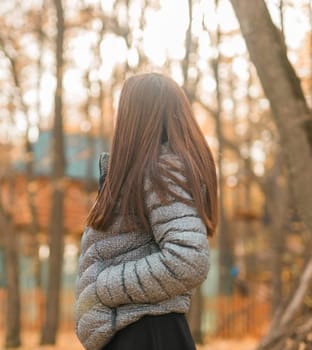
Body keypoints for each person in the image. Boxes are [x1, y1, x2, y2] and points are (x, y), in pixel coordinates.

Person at [74, 72, 218, 350]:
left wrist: (105, 286)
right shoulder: (141, 174)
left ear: (135, 115)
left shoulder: (161, 171)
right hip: (136, 330)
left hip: (146, 333)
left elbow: (188, 260)